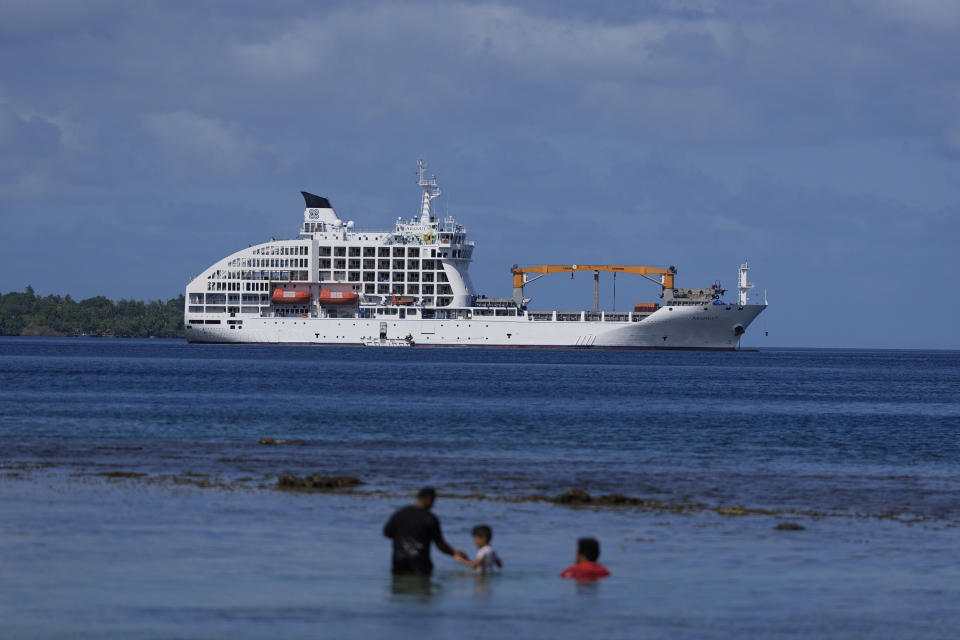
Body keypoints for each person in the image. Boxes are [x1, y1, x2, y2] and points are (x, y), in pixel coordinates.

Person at [383, 487, 465, 576]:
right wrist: (453, 552)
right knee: (421, 588)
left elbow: (386, 534)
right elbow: (440, 544)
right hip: (419, 562)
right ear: (429, 499)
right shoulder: (430, 518)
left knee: (400, 588)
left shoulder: (400, 514)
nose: (433, 505)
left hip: (399, 561)